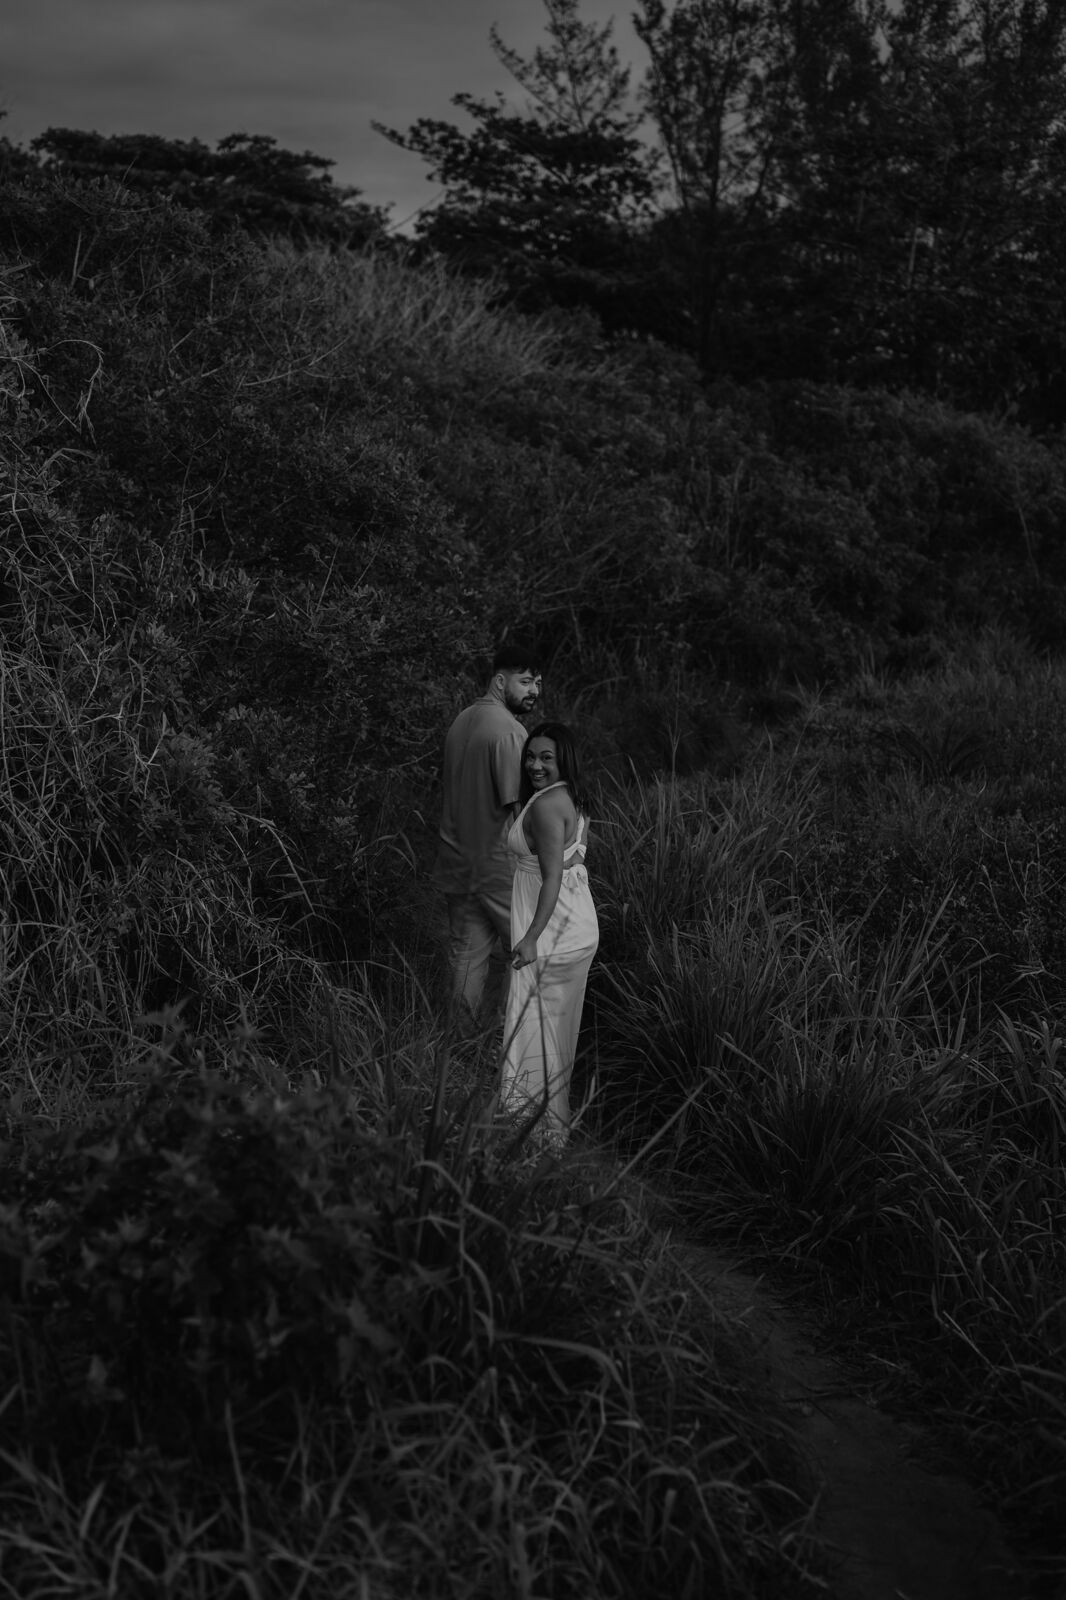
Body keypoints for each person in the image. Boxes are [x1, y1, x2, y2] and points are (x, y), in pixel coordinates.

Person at [433, 642, 542, 1024]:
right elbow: (519, 809)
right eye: (525, 681)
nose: (534, 691)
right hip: (496, 864)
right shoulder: (510, 731)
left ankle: (459, 1046)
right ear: (499, 681)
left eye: (537, 683)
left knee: (466, 955)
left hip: (456, 858)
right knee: (526, 951)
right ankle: (511, 1043)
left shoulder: (461, 721)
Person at [501, 721, 599, 1144]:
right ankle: (546, 1122)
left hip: (552, 930)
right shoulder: (572, 796)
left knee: (532, 1026)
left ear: (564, 760)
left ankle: (533, 1128)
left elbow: (552, 878)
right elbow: (575, 857)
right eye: (530, 756)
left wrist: (530, 938)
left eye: (546, 758)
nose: (535, 765)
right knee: (556, 1030)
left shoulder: (545, 806)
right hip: (578, 926)